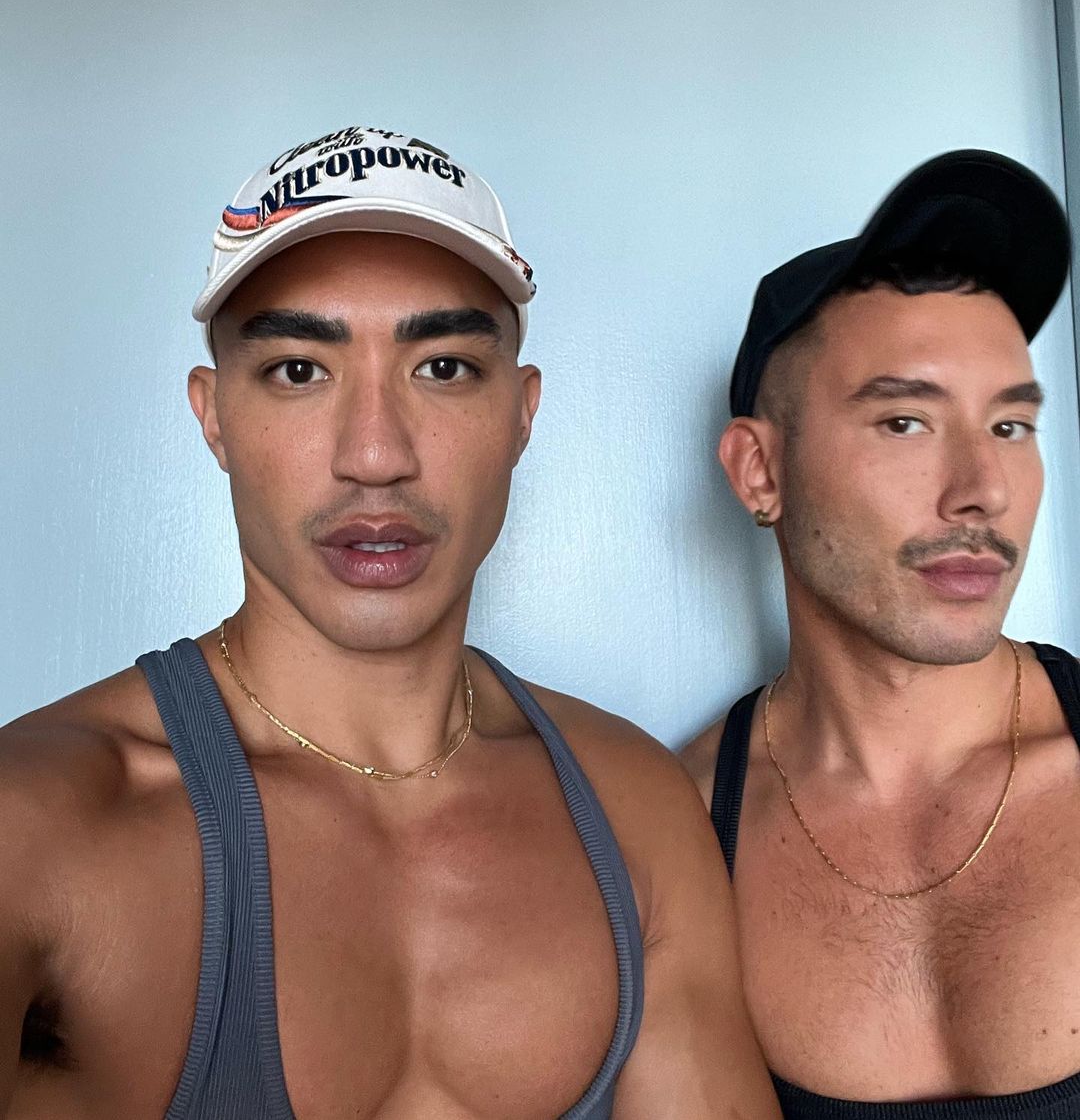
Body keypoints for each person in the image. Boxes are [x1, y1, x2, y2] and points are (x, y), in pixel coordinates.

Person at [0, 124, 778, 1119]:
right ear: (213, 415)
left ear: (522, 415)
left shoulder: (636, 810)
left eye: (443, 367)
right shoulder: (42, 825)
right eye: (299, 370)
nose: (375, 456)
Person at [682, 149, 1080, 1116]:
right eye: (905, 422)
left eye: (1010, 427)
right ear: (759, 473)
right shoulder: (676, 833)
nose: (983, 493)